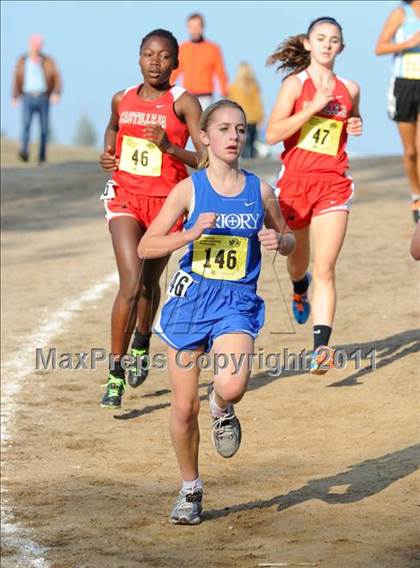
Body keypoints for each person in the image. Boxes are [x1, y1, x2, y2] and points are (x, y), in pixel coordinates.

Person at [138, 99, 296, 524]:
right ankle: (190, 489)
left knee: (233, 383)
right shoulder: (189, 189)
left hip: (235, 302)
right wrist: (189, 232)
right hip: (190, 302)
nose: (234, 137)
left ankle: (222, 408)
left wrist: (279, 243)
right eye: (224, 129)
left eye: (241, 129)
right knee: (182, 409)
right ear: (205, 137)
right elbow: (146, 246)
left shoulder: (258, 190)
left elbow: (289, 237)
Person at [99, 29, 202, 409]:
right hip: (125, 196)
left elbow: (205, 160)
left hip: (166, 205)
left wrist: (170, 147)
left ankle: (142, 339)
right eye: (147, 54)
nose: (154, 62)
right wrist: (107, 152)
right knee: (129, 283)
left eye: (163, 56)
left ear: (176, 62)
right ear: (138, 58)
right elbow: (113, 127)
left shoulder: (184, 104)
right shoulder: (121, 98)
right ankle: (115, 373)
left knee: (147, 283)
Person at [266, 17, 363, 374]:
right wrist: (311, 107)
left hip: (333, 183)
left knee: (326, 267)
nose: (326, 45)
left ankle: (321, 348)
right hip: (294, 187)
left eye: (333, 40)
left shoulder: (350, 88)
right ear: (307, 44)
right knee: (299, 262)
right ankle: (297, 285)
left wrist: (356, 123)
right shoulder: (295, 85)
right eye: (320, 39)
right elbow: (273, 133)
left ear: (341, 47)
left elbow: (354, 119)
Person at [375, 0, 420, 223]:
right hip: (404, 84)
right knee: (411, 151)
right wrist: (409, 42)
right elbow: (380, 47)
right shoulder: (402, 13)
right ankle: (416, 194)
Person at [11, 34, 61, 164]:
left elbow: (56, 77)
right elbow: (16, 78)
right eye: (35, 44)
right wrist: (15, 96)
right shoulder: (22, 60)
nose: (37, 47)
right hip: (27, 96)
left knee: (44, 128)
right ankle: (24, 151)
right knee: (26, 125)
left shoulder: (48, 60)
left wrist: (56, 93)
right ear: (30, 44)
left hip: (43, 96)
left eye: (39, 44)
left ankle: (42, 155)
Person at [171, 13, 228, 110]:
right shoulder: (183, 48)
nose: (194, 30)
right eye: (191, 27)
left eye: (197, 26)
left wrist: (224, 93)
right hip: (187, 96)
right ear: (188, 28)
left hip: (205, 97)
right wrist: (165, 89)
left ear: (202, 27)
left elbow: (220, 72)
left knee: (203, 124)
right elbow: (174, 71)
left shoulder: (213, 48)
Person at [228, 62, 264, 158]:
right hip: (253, 117)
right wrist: (260, 117)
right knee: (251, 141)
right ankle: (251, 158)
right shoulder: (254, 86)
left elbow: (232, 102)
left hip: (240, 117)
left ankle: (243, 159)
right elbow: (258, 103)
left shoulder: (234, 87)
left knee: (242, 140)